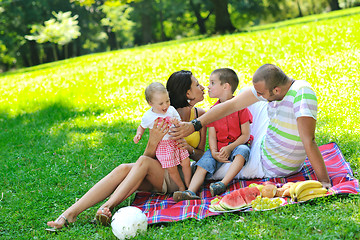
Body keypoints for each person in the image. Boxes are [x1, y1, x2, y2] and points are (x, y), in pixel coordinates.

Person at [46, 70, 206, 231]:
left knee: (141, 163)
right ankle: (70, 214)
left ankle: (106, 207)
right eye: (198, 85)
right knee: (124, 168)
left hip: (180, 175)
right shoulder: (160, 115)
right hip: (160, 169)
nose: (203, 87)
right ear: (187, 93)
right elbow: (148, 157)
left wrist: (189, 149)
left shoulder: (202, 117)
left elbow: (202, 155)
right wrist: (154, 140)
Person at [170, 64, 331, 190]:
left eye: (261, 92)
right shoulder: (283, 89)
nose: (258, 95)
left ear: (276, 89)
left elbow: (309, 140)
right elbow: (230, 105)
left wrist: (324, 180)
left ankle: (238, 139)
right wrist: (194, 125)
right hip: (265, 144)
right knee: (241, 100)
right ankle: (239, 135)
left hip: (266, 162)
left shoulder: (301, 95)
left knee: (245, 104)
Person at [173, 68, 253, 201]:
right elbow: (212, 136)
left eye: (212, 83)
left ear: (226, 86)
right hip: (217, 148)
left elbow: (245, 135)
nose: (208, 87)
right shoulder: (212, 111)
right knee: (204, 161)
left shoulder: (241, 108)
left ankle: (222, 184)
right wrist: (214, 152)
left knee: (243, 151)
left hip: (237, 145)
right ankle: (190, 191)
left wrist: (229, 148)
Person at [133, 82, 191, 191]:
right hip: (164, 146)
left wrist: (177, 122)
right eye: (161, 103)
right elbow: (141, 126)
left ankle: (189, 185)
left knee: (186, 162)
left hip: (176, 141)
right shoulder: (148, 116)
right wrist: (138, 134)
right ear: (150, 103)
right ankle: (181, 186)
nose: (165, 106)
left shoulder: (171, 110)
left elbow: (180, 122)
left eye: (167, 101)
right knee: (171, 169)